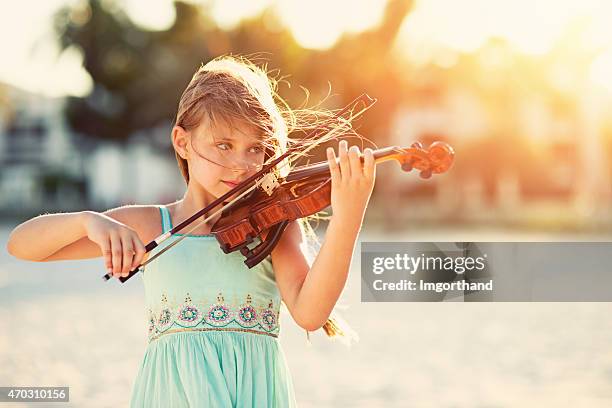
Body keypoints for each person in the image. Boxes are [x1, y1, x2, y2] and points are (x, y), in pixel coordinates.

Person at [6, 55, 376, 407]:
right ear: (182, 142)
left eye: (256, 148)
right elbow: (22, 245)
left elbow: (310, 313)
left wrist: (348, 215)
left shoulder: (272, 228)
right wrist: (87, 220)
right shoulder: (152, 225)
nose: (242, 164)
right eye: (224, 145)